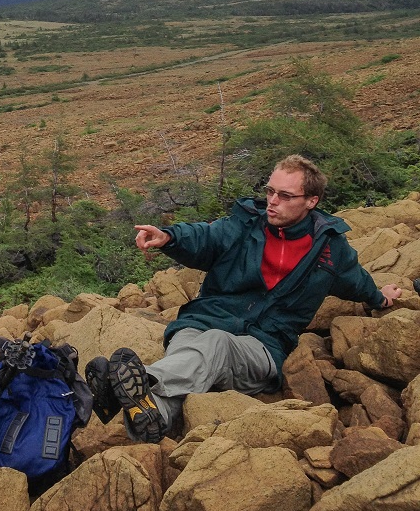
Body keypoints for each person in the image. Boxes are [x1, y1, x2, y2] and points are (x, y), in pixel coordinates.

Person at [86, 154, 402, 442]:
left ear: (311, 201)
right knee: (190, 356)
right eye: (270, 191)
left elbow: (356, 282)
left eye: (285, 195)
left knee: (214, 346)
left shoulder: (330, 250)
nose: (272, 201)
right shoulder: (245, 224)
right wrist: (169, 237)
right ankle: (152, 418)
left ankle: (136, 384)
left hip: (263, 345)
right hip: (204, 320)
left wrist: (380, 297)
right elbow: (206, 238)